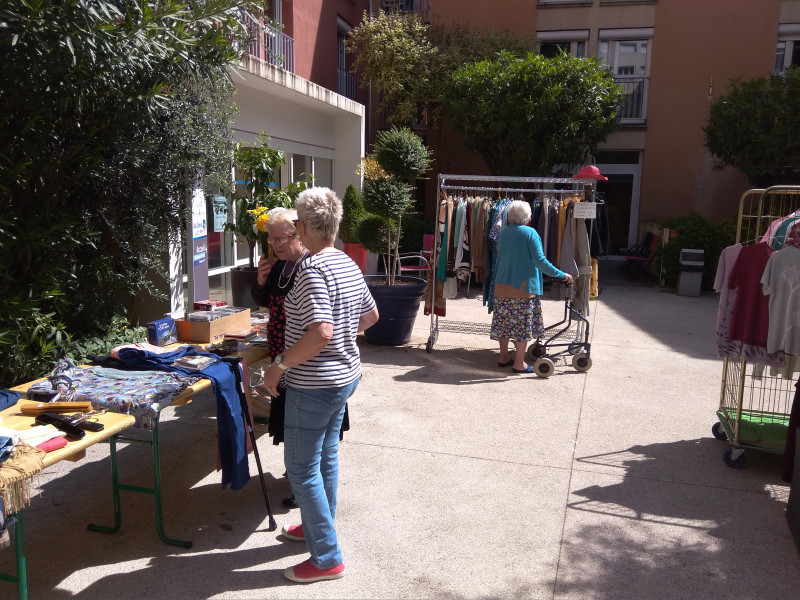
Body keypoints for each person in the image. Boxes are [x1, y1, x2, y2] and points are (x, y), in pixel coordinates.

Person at [261, 187, 379, 584]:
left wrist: (278, 366)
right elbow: (370, 317)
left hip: (315, 384)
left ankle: (327, 558)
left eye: (296, 221)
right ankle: (318, 529)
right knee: (325, 456)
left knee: (301, 469)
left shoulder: (314, 268)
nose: (293, 226)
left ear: (307, 226)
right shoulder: (344, 261)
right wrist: (343, 336)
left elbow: (322, 332)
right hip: (343, 379)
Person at [492, 200, 573, 373]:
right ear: (528, 217)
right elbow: (540, 261)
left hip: (501, 284)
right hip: (523, 288)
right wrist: (561, 274)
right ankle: (519, 363)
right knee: (522, 327)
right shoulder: (531, 233)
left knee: (503, 324)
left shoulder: (504, 233)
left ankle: (504, 357)